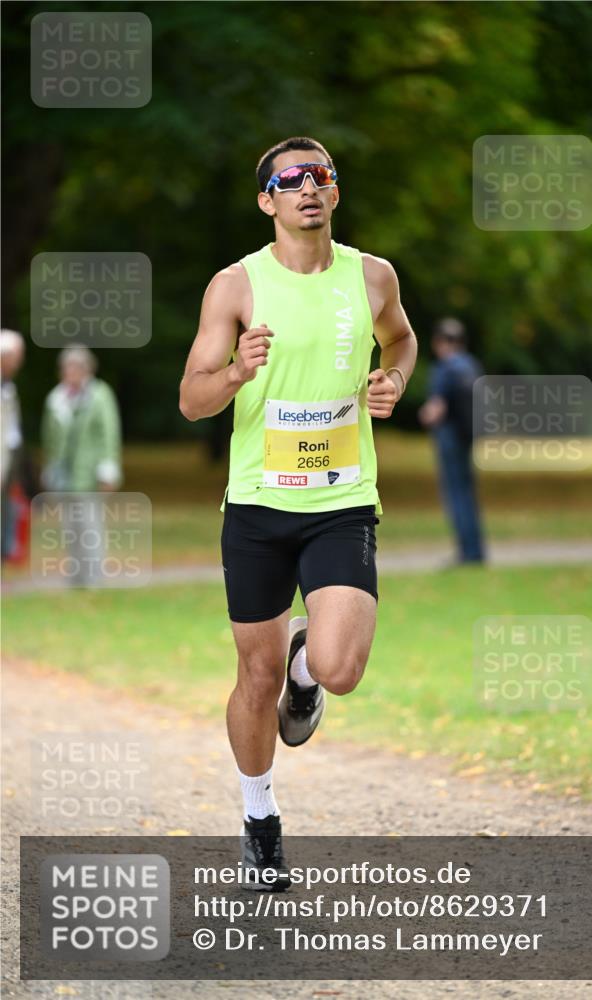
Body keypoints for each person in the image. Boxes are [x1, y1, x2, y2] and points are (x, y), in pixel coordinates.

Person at [180, 136, 418, 888]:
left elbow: (400, 340)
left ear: (335, 193)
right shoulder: (235, 286)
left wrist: (394, 379)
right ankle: (260, 821)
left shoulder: (372, 276)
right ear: (267, 201)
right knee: (255, 677)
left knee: (340, 669)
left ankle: (306, 672)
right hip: (257, 506)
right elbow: (191, 400)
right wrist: (235, 372)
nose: (308, 187)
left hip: (341, 500)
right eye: (291, 179)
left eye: (321, 176)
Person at [41, 345, 122, 585]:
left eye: (75, 367)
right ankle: (76, 577)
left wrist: (108, 470)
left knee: (90, 526)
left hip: (90, 474)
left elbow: (109, 433)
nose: (70, 372)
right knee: (70, 527)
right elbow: (49, 437)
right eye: (66, 368)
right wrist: (49, 468)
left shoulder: (100, 395)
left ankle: (93, 578)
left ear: (87, 369)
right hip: (63, 475)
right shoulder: (56, 399)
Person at [418, 317, 485, 564]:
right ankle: (475, 550)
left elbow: (435, 409)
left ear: (439, 341)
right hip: (468, 436)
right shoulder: (471, 365)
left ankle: (466, 553)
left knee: (455, 495)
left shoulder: (445, 368)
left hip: (449, 437)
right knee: (468, 493)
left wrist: (423, 415)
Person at [1, 329, 26, 561]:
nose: (19, 363)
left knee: (8, 507)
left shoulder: (8, 386)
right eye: (16, 357)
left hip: (8, 458)